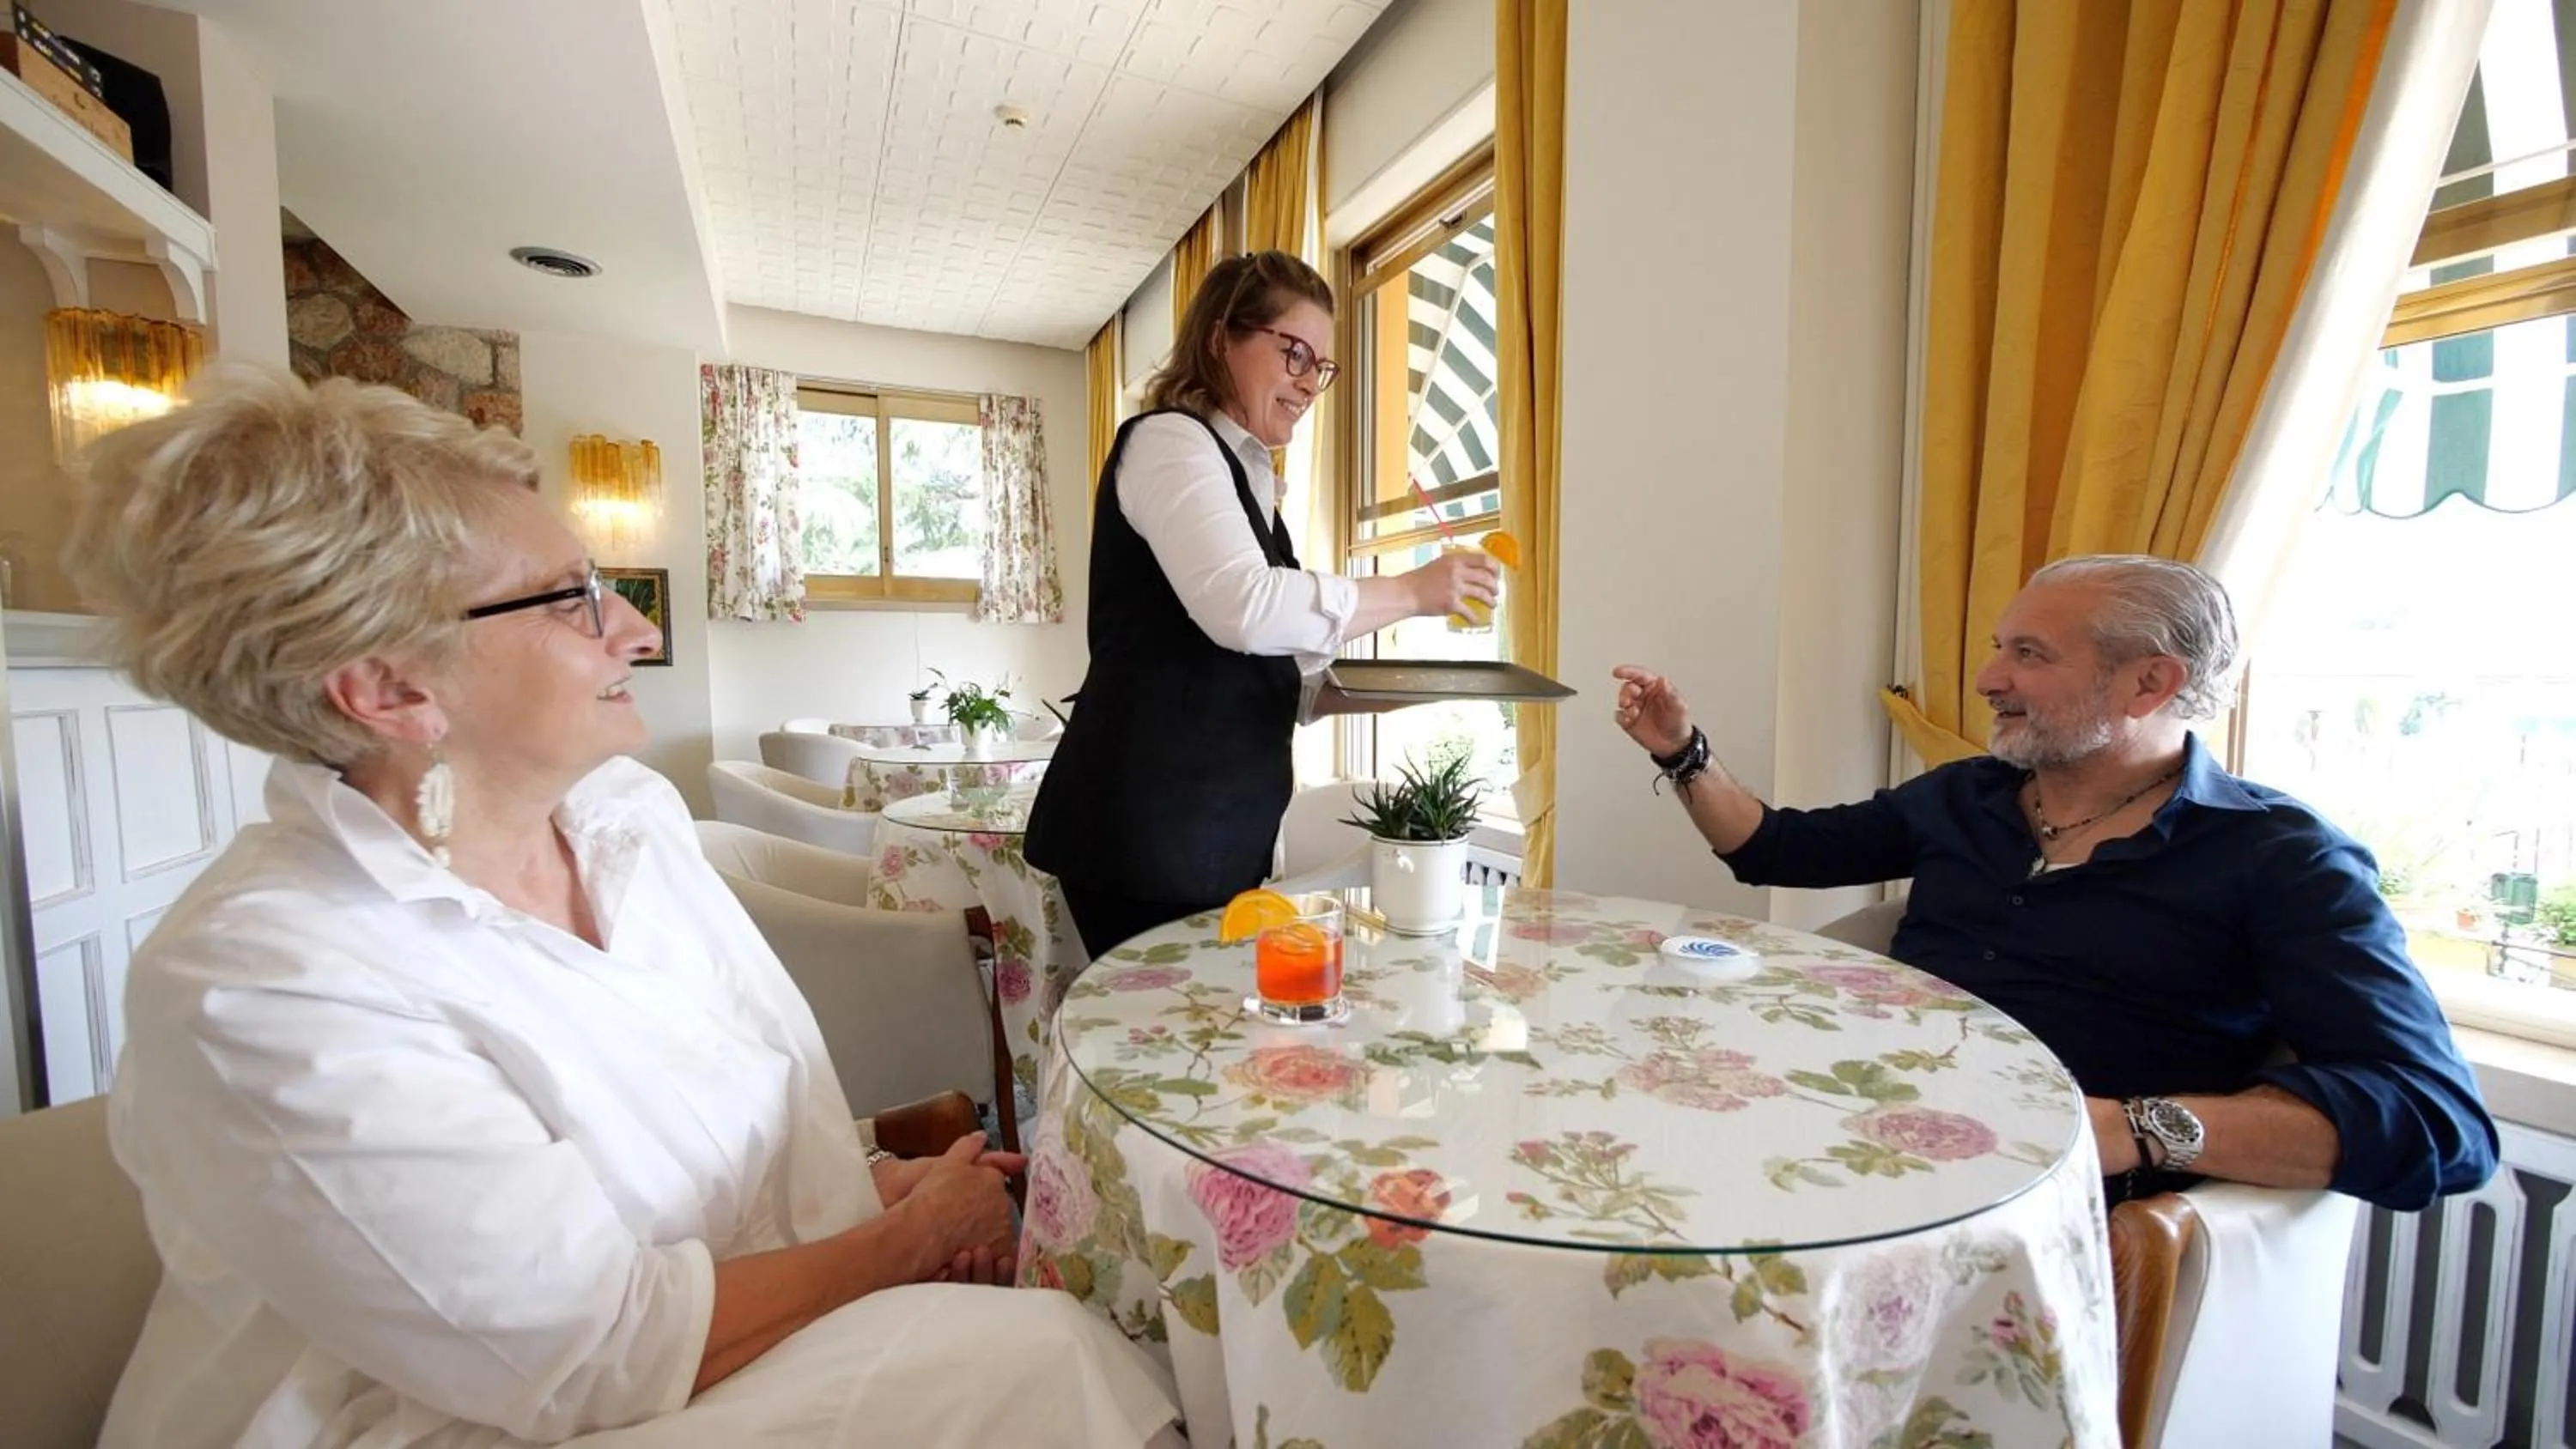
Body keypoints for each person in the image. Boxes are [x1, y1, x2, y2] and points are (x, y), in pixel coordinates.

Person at [69, 367, 1182, 1448]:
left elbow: (718, 1149)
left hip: (693, 1344)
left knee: (1078, 1321)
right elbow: (590, 1355)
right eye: (571, 599)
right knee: (1039, 1354)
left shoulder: (624, 820)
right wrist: (908, 1238)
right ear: (390, 688)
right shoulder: (266, 985)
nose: (637, 631)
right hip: (475, 1417)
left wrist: (873, 1185)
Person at [1612, 555, 2496, 1211]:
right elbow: (1775, 848)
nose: (1989, 678)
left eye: (2028, 654)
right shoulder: (1969, 794)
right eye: (2000, 648)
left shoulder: (2282, 858)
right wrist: (1680, 751)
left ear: (2150, 681)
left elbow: (2438, 1119)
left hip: (2044, 1203)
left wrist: (2121, 1127)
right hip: (1854, 1138)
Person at [1026, 251, 1499, 957]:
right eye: (1295, 354)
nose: (1310, 383)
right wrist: (1408, 591)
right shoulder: (1170, 443)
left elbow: (1265, 672)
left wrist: (1401, 690)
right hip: (1146, 836)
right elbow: (1245, 609)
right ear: (1222, 338)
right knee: (1167, 1052)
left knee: (1201, 1050)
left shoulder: (1252, 485)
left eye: (1321, 367)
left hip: (1208, 835)